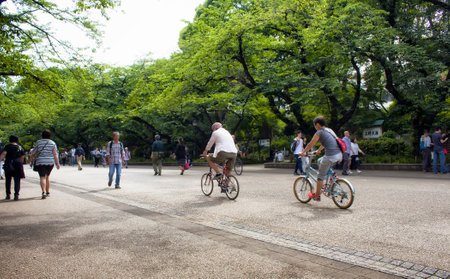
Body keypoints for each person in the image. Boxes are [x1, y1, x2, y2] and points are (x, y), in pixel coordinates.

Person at [300, 116, 342, 202]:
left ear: (318, 124)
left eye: (315, 125)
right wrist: (318, 150)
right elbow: (327, 142)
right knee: (320, 160)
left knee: (320, 176)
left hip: (331, 156)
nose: (315, 127)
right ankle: (332, 175)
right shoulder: (329, 130)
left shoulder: (319, 132)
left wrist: (303, 152)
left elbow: (310, 144)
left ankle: (317, 196)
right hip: (339, 155)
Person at [30, 129, 60, 199]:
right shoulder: (52, 143)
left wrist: (30, 160)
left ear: (42, 135)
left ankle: (43, 192)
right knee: (47, 176)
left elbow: (33, 152)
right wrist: (57, 163)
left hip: (40, 162)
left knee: (42, 177)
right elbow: (55, 154)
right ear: (50, 135)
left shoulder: (39, 142)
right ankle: (48, 192)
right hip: (50, 162)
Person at [0, 135, 25, 200]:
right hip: (18, 164)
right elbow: (22, 156)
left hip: (9, 164)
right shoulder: (19, 147)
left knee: (8, 180)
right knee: (17, 180)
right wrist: (21, 163)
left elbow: (4, 154)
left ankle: (8, 194)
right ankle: (16, 195)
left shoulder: (7, 146)